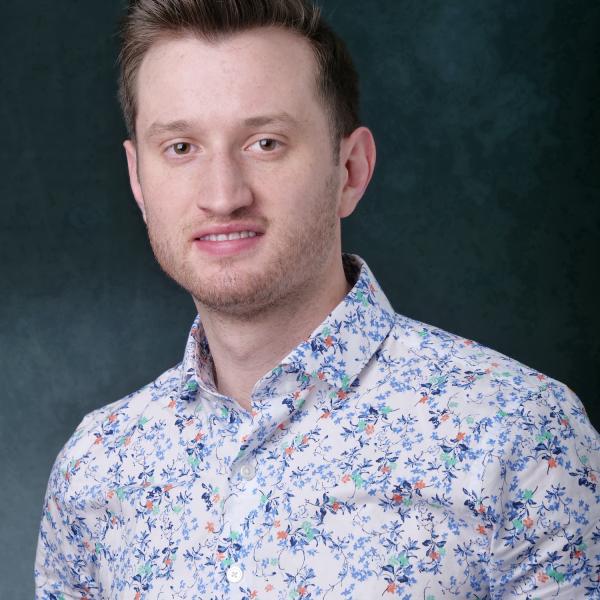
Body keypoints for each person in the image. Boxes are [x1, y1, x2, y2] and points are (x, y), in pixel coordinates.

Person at [35, 1, 600, 598]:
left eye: (266, 143)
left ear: (350, 170)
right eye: (181, 147)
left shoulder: (523, 438)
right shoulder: (96, 469)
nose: (223, 196)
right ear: (138, 180)